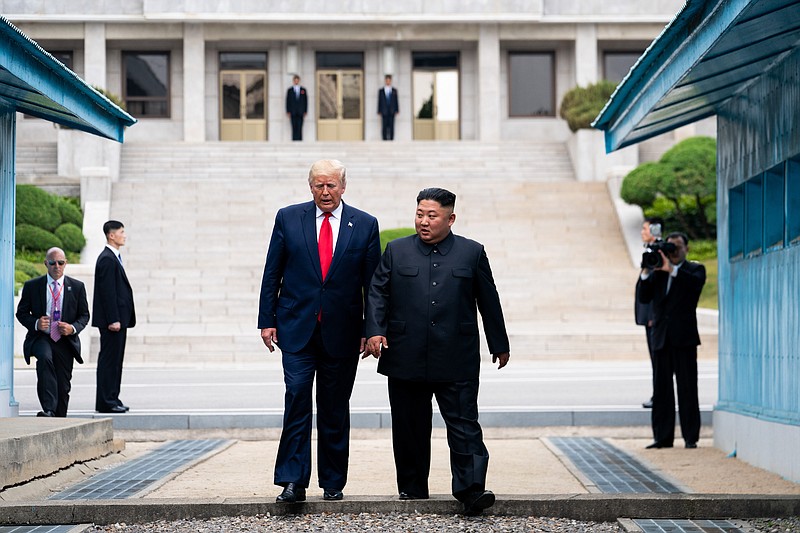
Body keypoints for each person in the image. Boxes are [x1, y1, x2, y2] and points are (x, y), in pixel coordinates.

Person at [365, 187, 510, 516]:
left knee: (463, 425)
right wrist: (374, 330)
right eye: (419, 214)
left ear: (450, 218)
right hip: (405, 354)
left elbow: (489, 300)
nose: (423, 221)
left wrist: (498, 344)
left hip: (456, 355)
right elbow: (377, 293)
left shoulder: (472, 253)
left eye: (432, 216)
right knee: (409, 427)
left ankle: (472, 490)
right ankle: (412, 490)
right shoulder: (397, 251)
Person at [258, 159, 381, 503]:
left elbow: (373, 284)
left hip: (343, 333)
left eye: (331, 185)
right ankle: (292, 481)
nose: (325, 192)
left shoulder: (365, 224)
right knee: (297, 398)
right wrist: (266, 319)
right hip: (296, 329)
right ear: (309, 186)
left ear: (343, 186)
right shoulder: (288, 218)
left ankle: (332, 481)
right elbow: (273, 272)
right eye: (318, 185)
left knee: (334, 407)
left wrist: (372, 329)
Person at [638, 231, 705, 450]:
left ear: (687, 248)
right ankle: (662, 438)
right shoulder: (657, 270)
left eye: (677, 246)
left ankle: (690, 437)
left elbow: (693, 288)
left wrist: (673, 270)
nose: (673, 251)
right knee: (661, 389)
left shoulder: (694, 270)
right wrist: (647, 271)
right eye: (670, 246)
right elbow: (643, 297)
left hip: (684, 338)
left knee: (687, 388)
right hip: (661, 338)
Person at [16, 247, 90, 417]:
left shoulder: (77, 287)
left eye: (60, 262)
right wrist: (36, 323)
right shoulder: (32, 286)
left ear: (66, 264)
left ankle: (58, 419)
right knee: (45, 358)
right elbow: (21, 313)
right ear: (46, 264)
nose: (57, 266)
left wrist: (72, 328)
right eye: (52, 263)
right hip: (42, 338)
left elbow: (84, 315)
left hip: (65, 340)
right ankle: (48, 409)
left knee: (63, 386)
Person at [93, 220, 136, 414]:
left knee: (116, 360)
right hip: (113, 322)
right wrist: (113, 319)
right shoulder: (107, 259)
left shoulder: (113, 257)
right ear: (112, 235)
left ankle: (112, 397)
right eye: (121, 232)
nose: (124, 235)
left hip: (119, 320)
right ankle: (106, 401)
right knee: (109, 360)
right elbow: (107, 292)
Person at [636, 216, 664, 409]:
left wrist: (654, 315)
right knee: (655, 359)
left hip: (656, 317)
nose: (642, 232)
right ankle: (659, 393)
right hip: (649, 316)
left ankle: (660, 395)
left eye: (646, 229)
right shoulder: (650, 252)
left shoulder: (661, 252)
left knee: (659, 359)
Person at [286, 75, 308, 141]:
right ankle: (294, 139)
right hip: (293, 111)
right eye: (295, 80)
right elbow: (287, 101)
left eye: (297, 80)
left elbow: (305, 101)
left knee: (300, 126)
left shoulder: (303, 90)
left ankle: (299, 139)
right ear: (293, 81)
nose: (296, 81)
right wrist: (288, 111)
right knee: (293, 126)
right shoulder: (290, 90)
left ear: (299, 81)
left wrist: (305, 111)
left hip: (300, 111)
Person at [377, 74, 399, 140]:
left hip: (392, 111)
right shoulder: (381, 91)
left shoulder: (394, 90)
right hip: (384, 111)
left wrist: (397, 110)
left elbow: (396, 101)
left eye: (389, 80)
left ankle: (391, 139)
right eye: (387, 80)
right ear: (385, 81)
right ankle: (384, 139)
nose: (388, 82)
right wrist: (379, 110)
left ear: (391, 81)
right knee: (384, 126)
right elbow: (379, 101)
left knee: (391, 126)